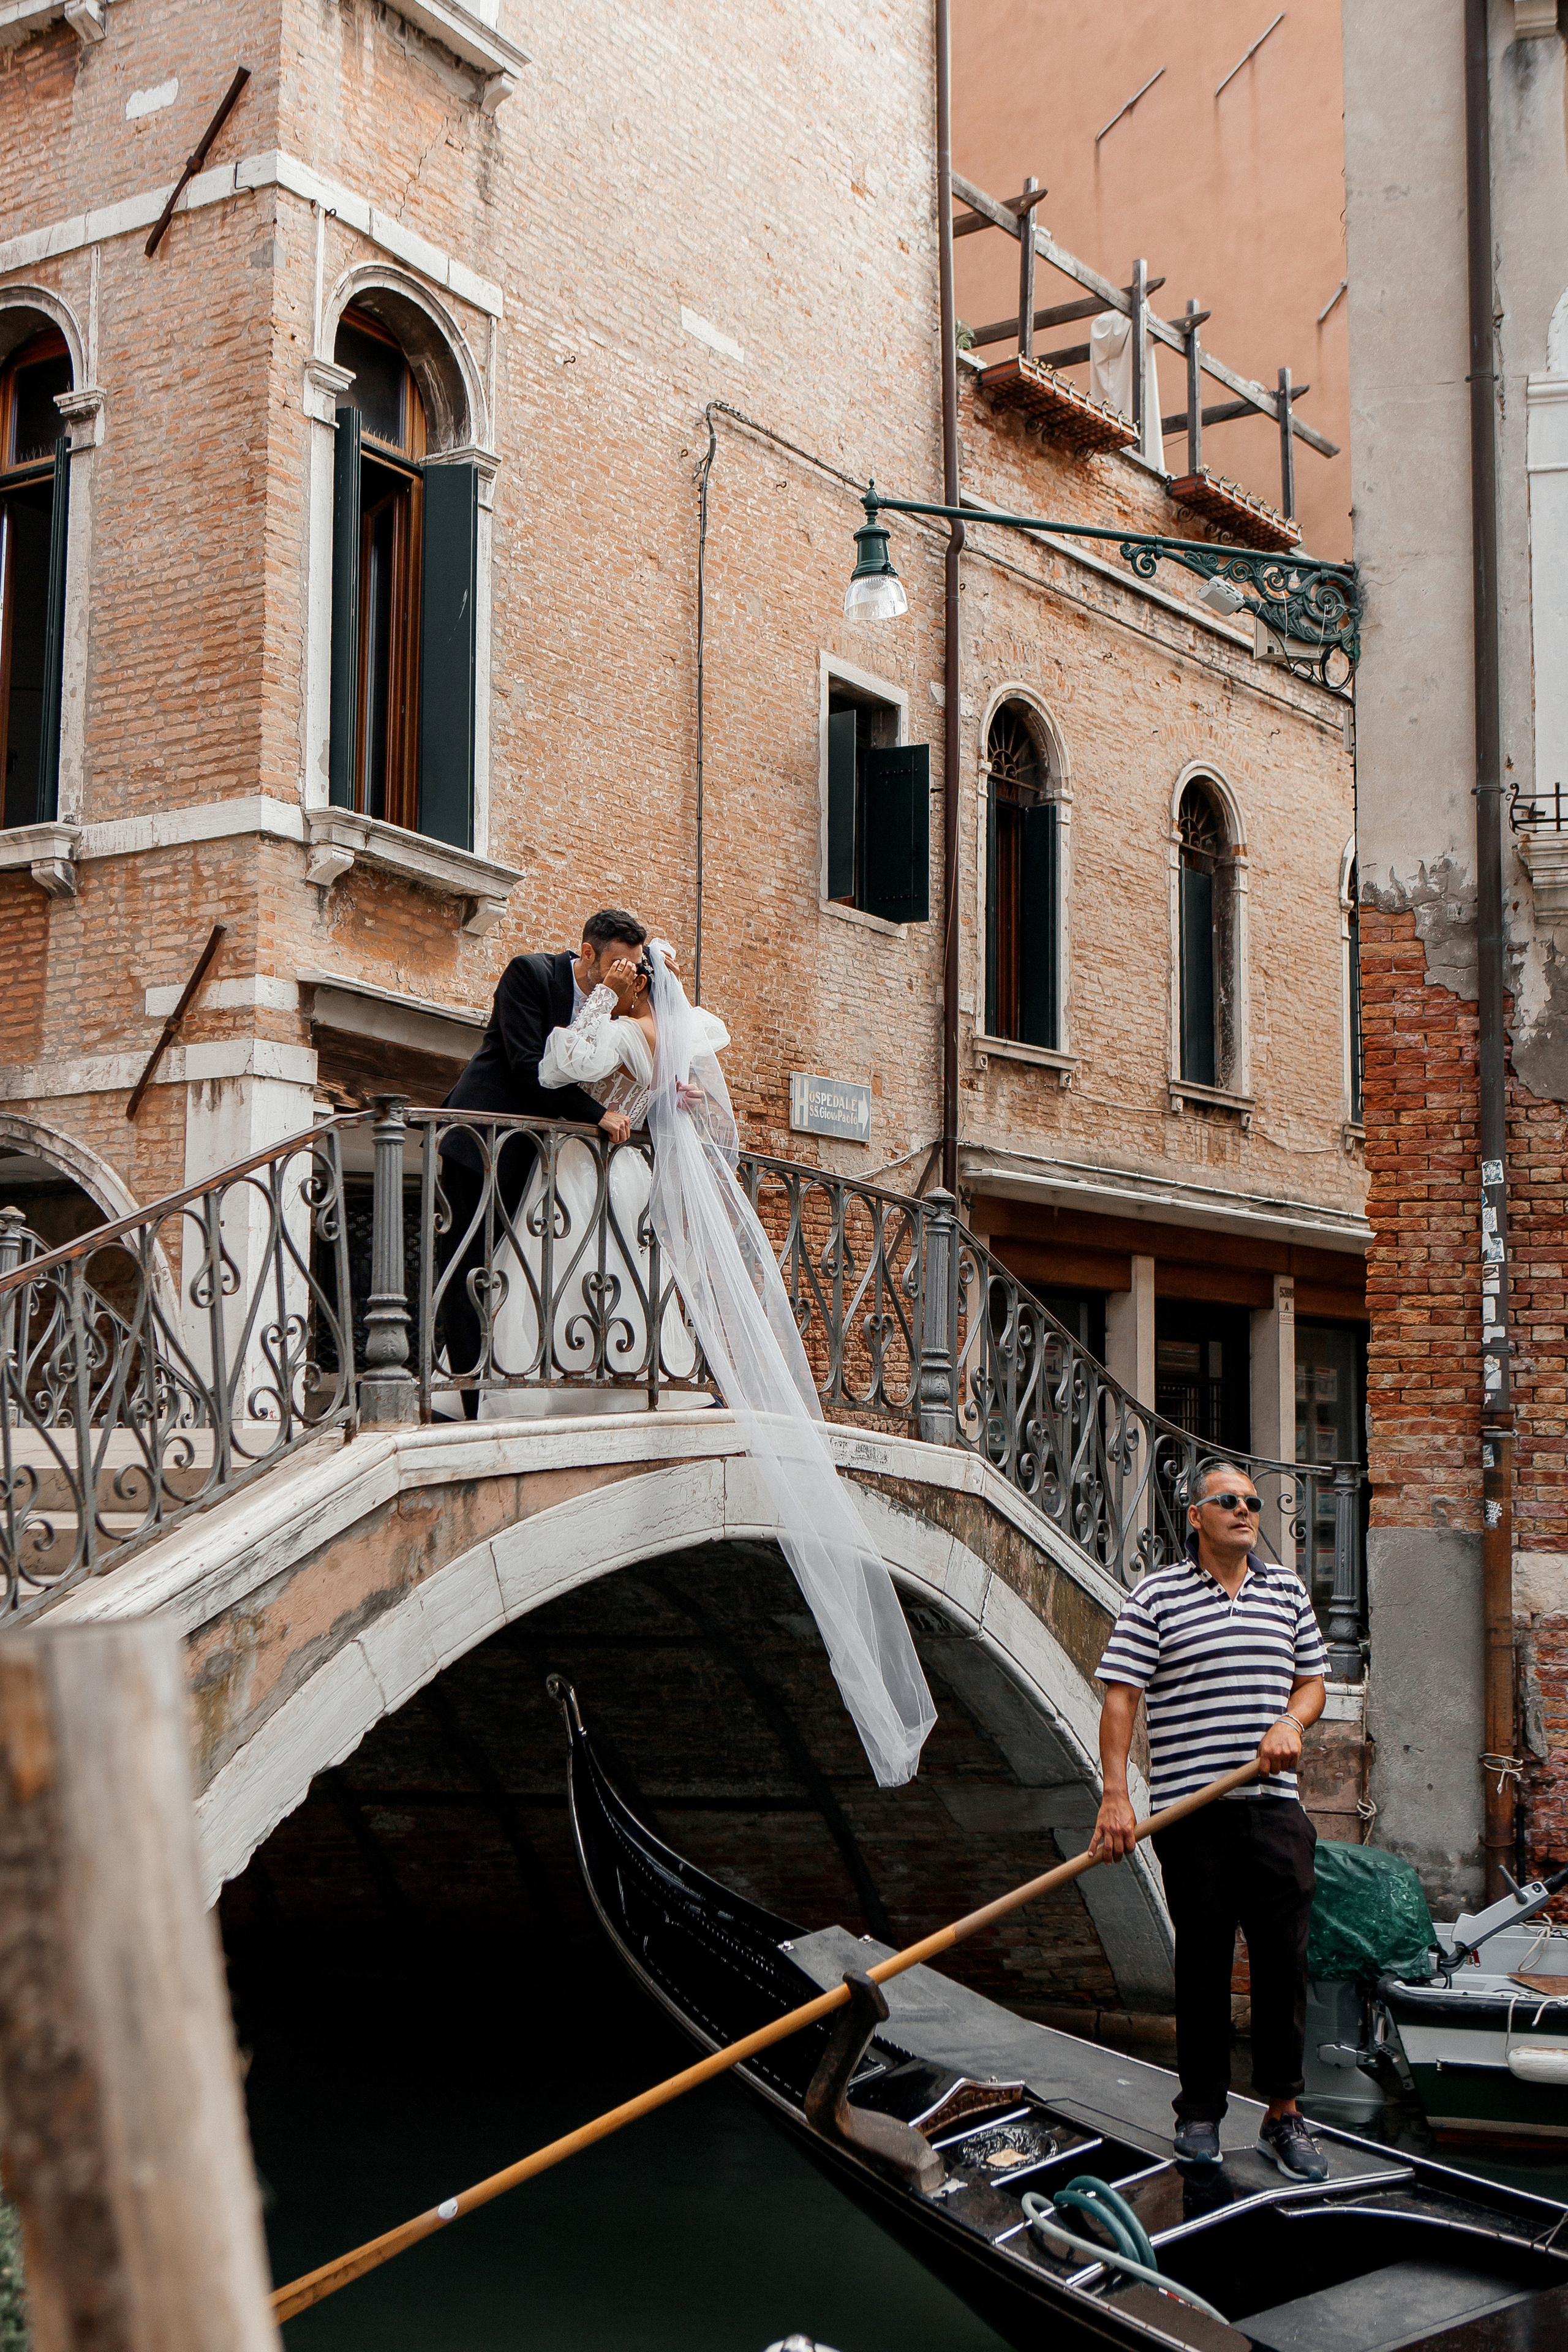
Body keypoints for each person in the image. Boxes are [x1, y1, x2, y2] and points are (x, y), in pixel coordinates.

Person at [529, 939, 938, 1789]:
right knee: (644, 1288)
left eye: (617, 969)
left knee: (574, 1283)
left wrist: (599, 1021)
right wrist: (657, 1108)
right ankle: (653, 1382)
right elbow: (714, 1123)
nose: (607, 976)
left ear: (628, 971)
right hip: (645, 1179)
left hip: (604, 1174)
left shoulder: (617, 1028)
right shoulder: (682, 1039)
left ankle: (578, 1392)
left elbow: (556, 1069)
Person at [1090, 1462, 1330, 2180]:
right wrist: (1115, 1795)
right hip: (1192, 1817)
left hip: (1276, 1810)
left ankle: (1283, 2114)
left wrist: (1290, 1721)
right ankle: (1199, 2113)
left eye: (1252, 1502)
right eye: (1228, 1501)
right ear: (1195, 1516)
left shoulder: (1285, 1590)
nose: (1245, 1511)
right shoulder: (1156, 1595)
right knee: (1201, 1964)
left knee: (1283, 1963)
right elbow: (1121, 1696)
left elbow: (1313, 1681)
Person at [477, 941, 724, 1409]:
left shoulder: (625, 1030)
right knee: (616, 1272)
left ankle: (557, 1388)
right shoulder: (670, 1042)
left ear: (642, 985)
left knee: (561, 1270)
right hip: (629, 1172)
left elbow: (557, 1067)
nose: (617, 987)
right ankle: (633, 1378)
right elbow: (648, 1098)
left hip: (580, 1165)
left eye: (626, 980)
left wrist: (602, 1000)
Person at [435, 908, 650, 1415]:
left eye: (635, 966)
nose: (626, 974)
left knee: (517, 1274)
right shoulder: (530, 974)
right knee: (469, 1267)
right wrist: (597, 1115)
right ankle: (468, 1400)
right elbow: (529, 1069)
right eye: (619, 962)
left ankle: (515, 1383)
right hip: (483, 1141)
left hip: (538, 1160)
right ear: (590, 953)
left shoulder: (613, 1005)